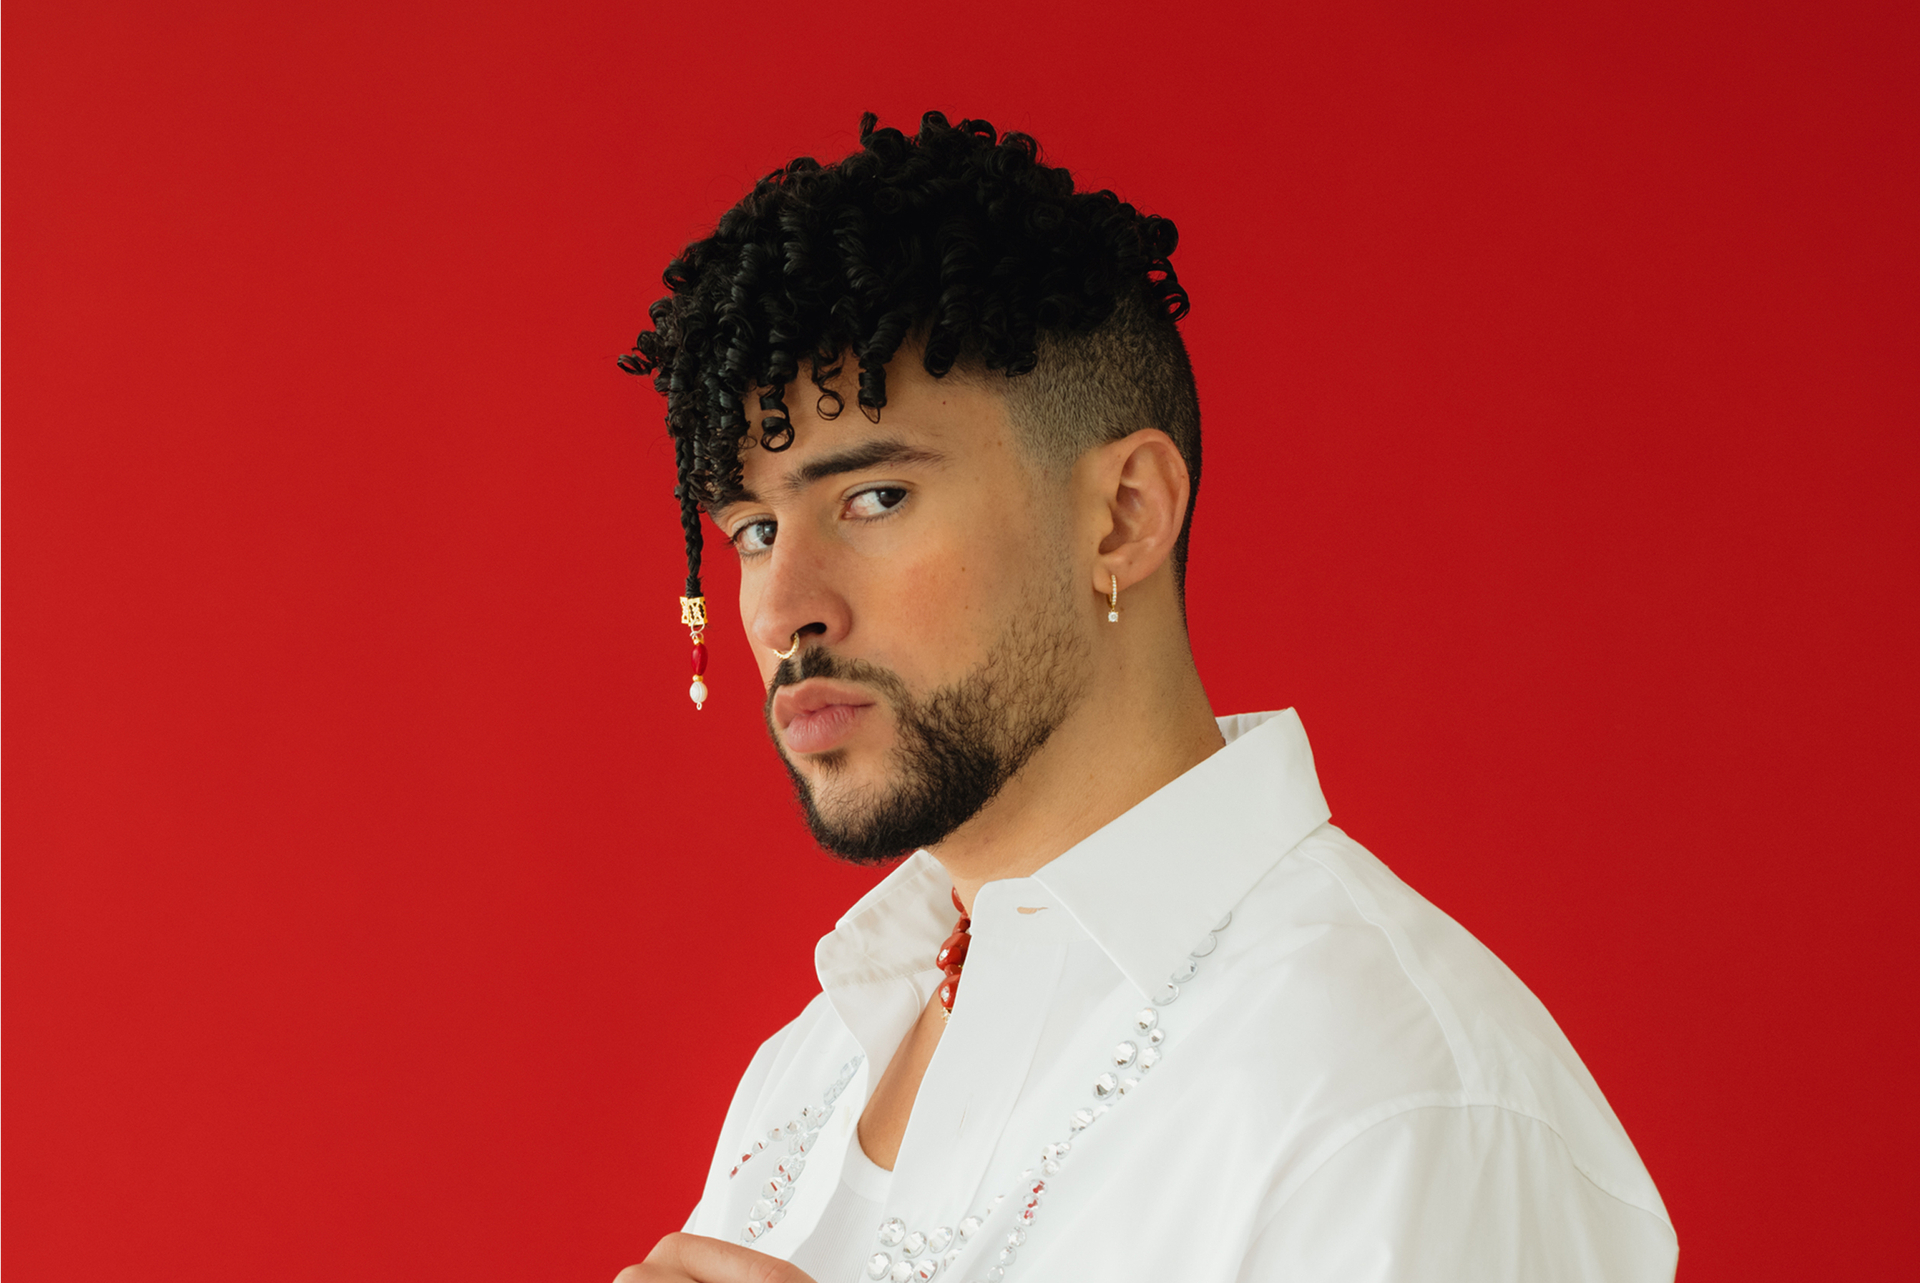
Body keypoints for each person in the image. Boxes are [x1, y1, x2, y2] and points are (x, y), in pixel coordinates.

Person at [612, 112, 1677, 1283]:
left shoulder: (1394, 1099)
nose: (781, 610)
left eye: (873, 499)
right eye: (753, 530)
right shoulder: (813, 1066)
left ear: (1124, 515)